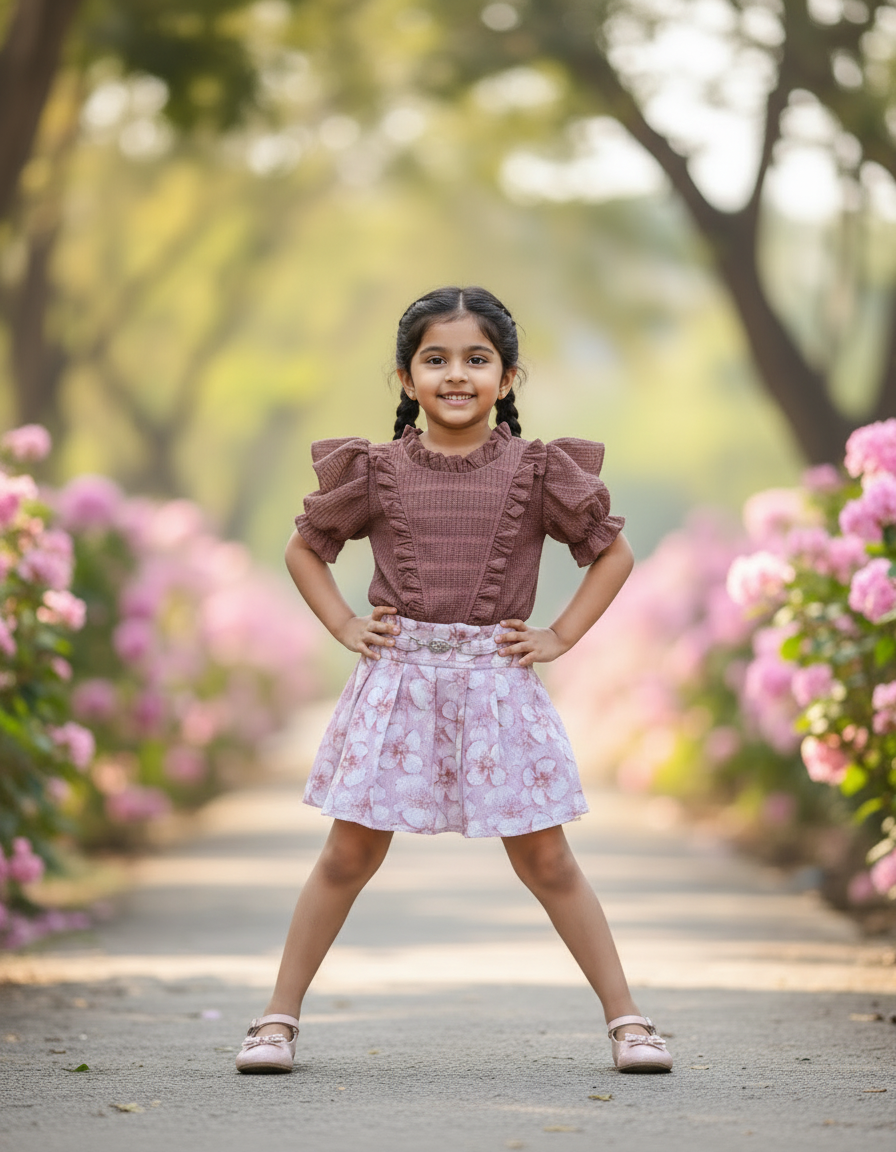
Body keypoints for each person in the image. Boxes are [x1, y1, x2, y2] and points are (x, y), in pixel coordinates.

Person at [235, 286, 672, 1076]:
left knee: (546, 861)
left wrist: (560, 634)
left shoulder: (540, 472)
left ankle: (629, 1022)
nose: (456, 375)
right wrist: (342, 625)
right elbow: (306, 548)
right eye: (435, 360)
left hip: (497, 686)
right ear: (405, 379)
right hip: (397, 684)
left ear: (508, 379)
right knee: (346, 856)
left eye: (478, 359)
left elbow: (612, 552)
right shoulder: (375, 471)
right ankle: (275, 1021)